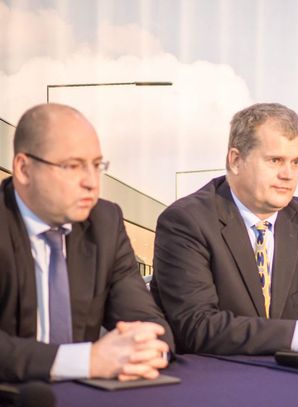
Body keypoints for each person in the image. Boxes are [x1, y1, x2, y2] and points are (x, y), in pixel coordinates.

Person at [151, 102, 298, 355]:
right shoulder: (186, 221)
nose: (288, 174)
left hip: (291, 372)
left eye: (296, 162)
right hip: (214, 371)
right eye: (275, 160)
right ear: (236, 160)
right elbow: (197, 325)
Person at [0, 103, 173, 383]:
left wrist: (146, 349)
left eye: (96, 165)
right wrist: (85, 361)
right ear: (23, 169)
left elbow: (148, 322)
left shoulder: (105, 223)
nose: (92, 182)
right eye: (73, 166)